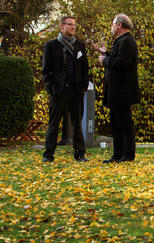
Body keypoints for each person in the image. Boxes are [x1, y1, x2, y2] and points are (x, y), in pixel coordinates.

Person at [42, 15, 89, 162]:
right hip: (58, 91)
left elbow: (85, 69)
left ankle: (80, 154)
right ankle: (48, 155)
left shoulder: (80, 46)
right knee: (54, 123)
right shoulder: (51, 46)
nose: (73, 27)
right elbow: (46, 70)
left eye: (74, 24)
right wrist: (51, 88)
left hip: (76, 91)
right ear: (61, 26)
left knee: (77, 123)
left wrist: (83, 87)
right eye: (70, 24)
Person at [94, 14, 140, 163]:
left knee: (124, 124)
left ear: (119, 25)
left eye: (113, 24)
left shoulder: (127, 41)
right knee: (116, 123)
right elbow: (118, 58)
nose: (112, 28)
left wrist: (105, 60)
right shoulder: (122, 41)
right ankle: (118, 154)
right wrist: (106, 53)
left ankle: (127, 155)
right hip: (116, 91)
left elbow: (122, 62)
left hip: (122, 91)